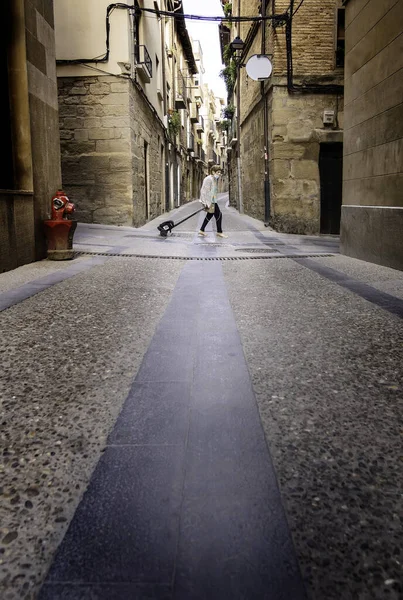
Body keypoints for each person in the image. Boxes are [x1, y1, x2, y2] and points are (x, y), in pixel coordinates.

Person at [198, 166, 228, 238]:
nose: (220, 174)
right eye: (218, 172)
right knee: (219, 215)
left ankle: (202, 230)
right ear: (213, 172)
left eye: (220, 172)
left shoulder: (214, 179)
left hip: (213, 200)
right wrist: (204, 203)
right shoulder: (208, 179)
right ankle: (219, 232)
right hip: (210, 201)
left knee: (210, 215)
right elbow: (203, 191)